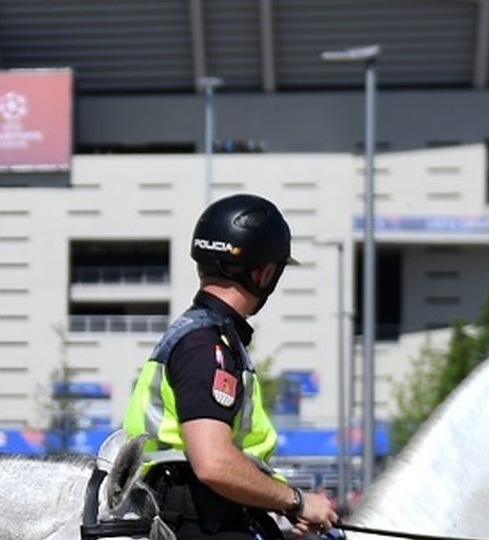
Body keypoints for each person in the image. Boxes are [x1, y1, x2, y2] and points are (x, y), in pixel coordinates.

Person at [124, 194, 339, 539]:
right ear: (264, 273)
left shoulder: (202, 336)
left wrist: (281, 503)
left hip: (206, 515)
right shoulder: (207, 345)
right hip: (203, 522)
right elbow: (214, 463)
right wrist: (297, 501)